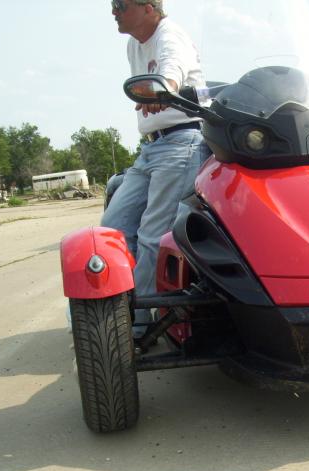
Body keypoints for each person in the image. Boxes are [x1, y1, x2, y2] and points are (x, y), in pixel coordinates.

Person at [103, 0, 210, 336]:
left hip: (183, 141)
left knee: (152, 236)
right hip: (151, 147)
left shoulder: (170, 35)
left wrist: (163, 89)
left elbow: (171, 72)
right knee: (114, 228)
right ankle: (115, 307)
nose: (113, 12)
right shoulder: (133, 44)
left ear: (149, 7)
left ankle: (133, 328)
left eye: (120, 5)